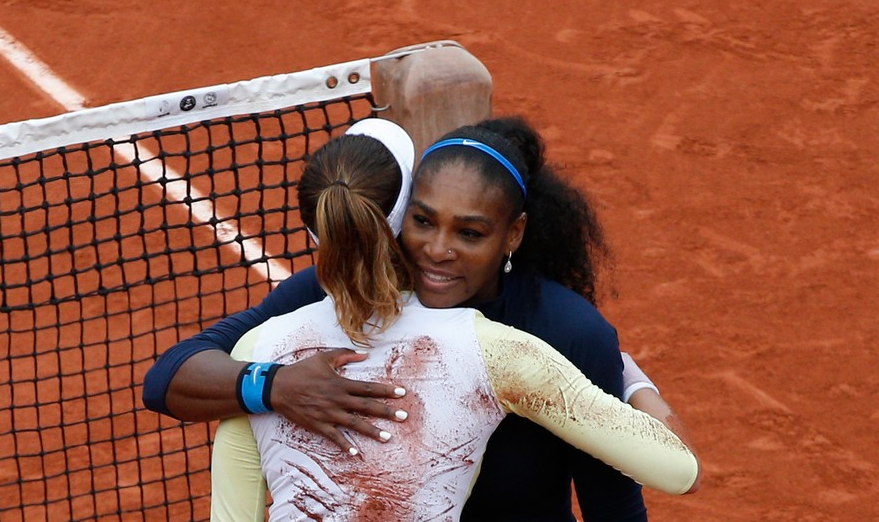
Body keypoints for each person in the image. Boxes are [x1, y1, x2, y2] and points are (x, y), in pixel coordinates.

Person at [142, 116, 694, 521]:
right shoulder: (339, 296)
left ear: (514, 235)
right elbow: (170, 378)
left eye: (470, 233)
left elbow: (616, 503)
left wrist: (629, 381)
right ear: (400, 220)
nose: (438, 250)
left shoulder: (566, 331)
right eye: (423, 223)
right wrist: (275, 386)